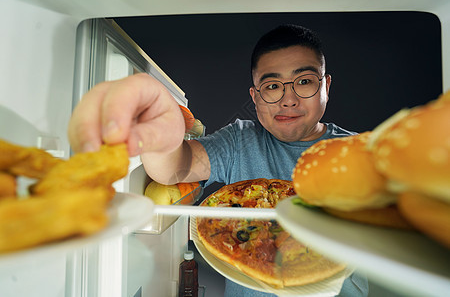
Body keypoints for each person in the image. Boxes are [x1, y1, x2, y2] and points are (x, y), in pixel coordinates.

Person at [68, 24, 368, 296]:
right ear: (255, 96)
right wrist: (156, 126)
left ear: (326, 86)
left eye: (303, 81)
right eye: (273, 86)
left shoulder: (363, 153)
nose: (288, 99)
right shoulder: (240, 140)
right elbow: (175, 168)